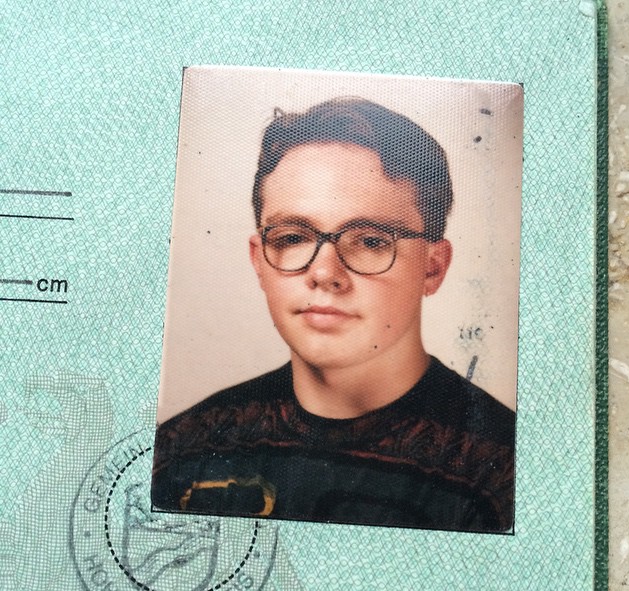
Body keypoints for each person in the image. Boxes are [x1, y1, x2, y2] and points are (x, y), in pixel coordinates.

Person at [152, 97, 516, 533]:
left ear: (432, 268)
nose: (325, 273)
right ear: (259, 261)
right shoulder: (181, 451)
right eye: (292, 237)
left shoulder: (502, 473)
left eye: (371, 241)